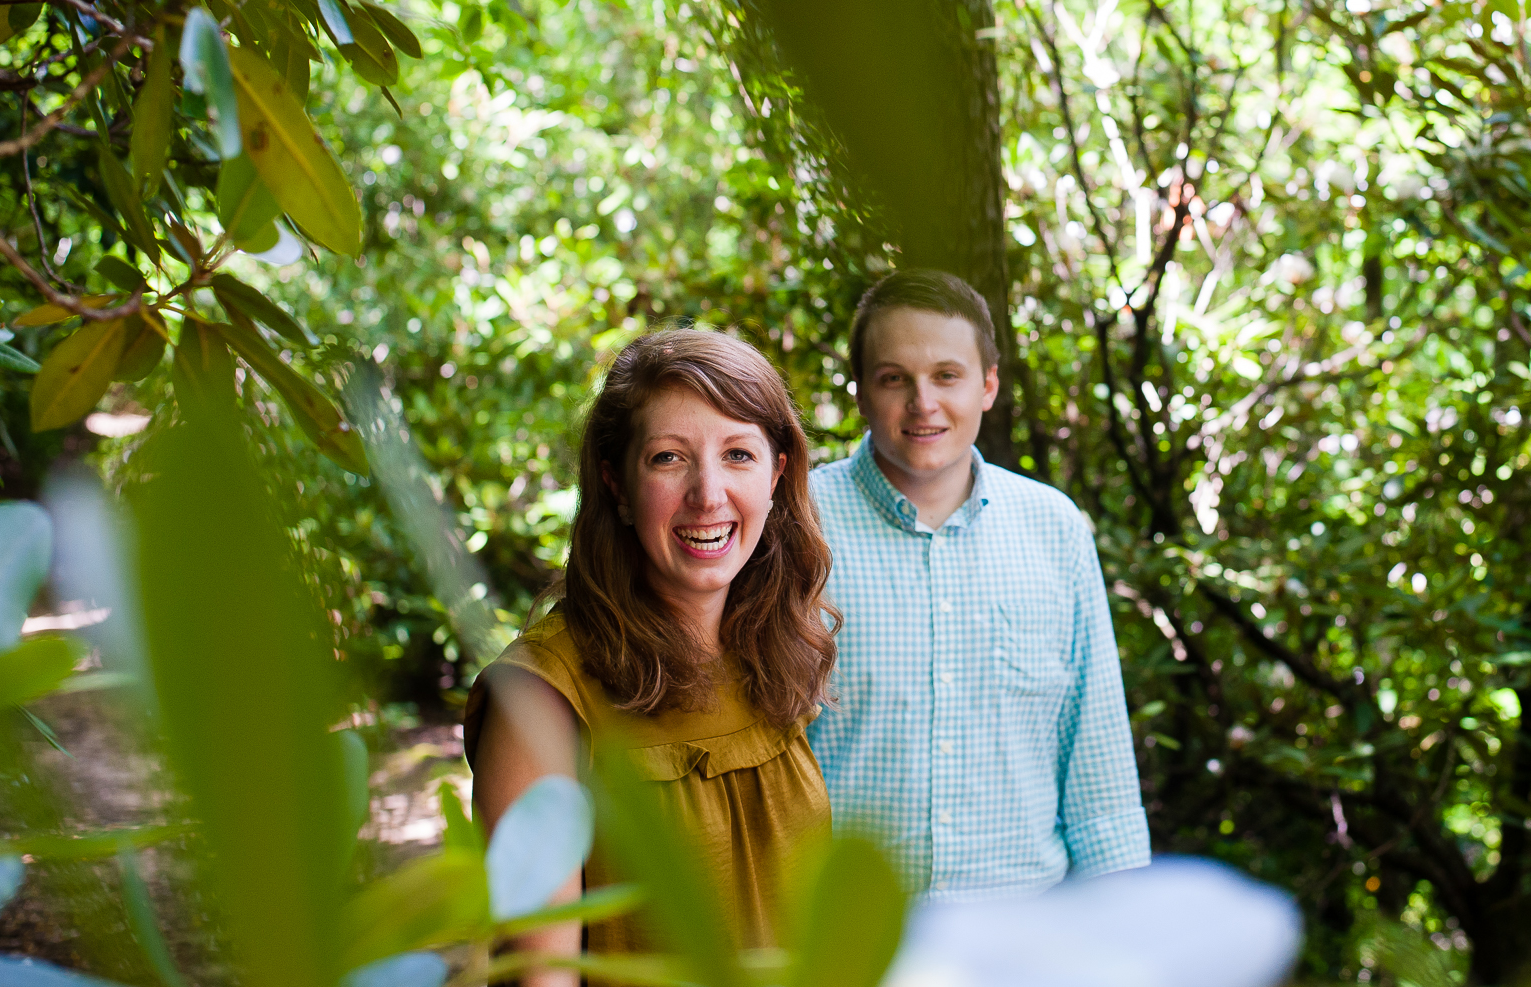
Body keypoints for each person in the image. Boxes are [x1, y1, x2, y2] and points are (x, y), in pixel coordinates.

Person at [465, 329, 837, 974]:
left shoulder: (771, 652)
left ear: (778, 475)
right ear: (616, 484)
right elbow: (537, 974)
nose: (708, 494)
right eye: (669, 458)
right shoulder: (541, 697)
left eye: (739, 455)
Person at [808, 268, 1150, 900]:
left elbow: (1095, 760)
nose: (923, 403)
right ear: (860, 393)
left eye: (947, 375)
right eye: (893, 379)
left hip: (1022, 942)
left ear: (988, 384)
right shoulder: (793, 526)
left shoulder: (1056, 528)